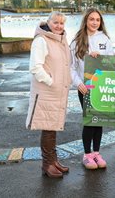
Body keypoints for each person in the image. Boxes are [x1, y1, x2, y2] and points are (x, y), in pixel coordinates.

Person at [26, 12, 72, 178]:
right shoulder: (41, 40)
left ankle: (53, 161)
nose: (59, 26)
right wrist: (52, 82)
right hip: (48, 91)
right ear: (48, 22)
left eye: (61, 23)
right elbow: (35, 68)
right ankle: (47, 164)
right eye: (55, 22)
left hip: (58, 92)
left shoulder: (61, 40)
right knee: (48, 128)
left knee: (52, 128)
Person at [70, 8, 114, 170]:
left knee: (99, 121)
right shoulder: (77, 41)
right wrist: (78, 83)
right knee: (90, 121)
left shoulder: (105, 39)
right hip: (85, 88)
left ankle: (96, 152)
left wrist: (104, 59)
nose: (95, 22)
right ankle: (87, 154)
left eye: (97, 20)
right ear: (86, 21)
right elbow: (71, 67)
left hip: (101, 88)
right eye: (91, 19)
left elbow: (109, 63)